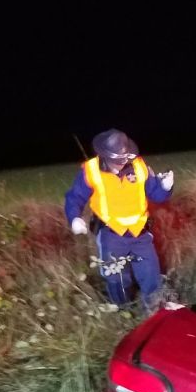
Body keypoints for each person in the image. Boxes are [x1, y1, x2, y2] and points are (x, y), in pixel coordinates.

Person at [64, 128, 174, 307]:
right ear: (105, 155)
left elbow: (156, 195)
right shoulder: (91, 170)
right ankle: (123, 311)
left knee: (151, 276)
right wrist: (74, 218)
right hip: (110, 235)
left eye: (124, 158)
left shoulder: (139, 166)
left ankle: (153, 312)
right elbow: (74, 197)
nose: (122, 163)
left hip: (141, 235)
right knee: (117, 279)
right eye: (117, 159)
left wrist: (166, 187)